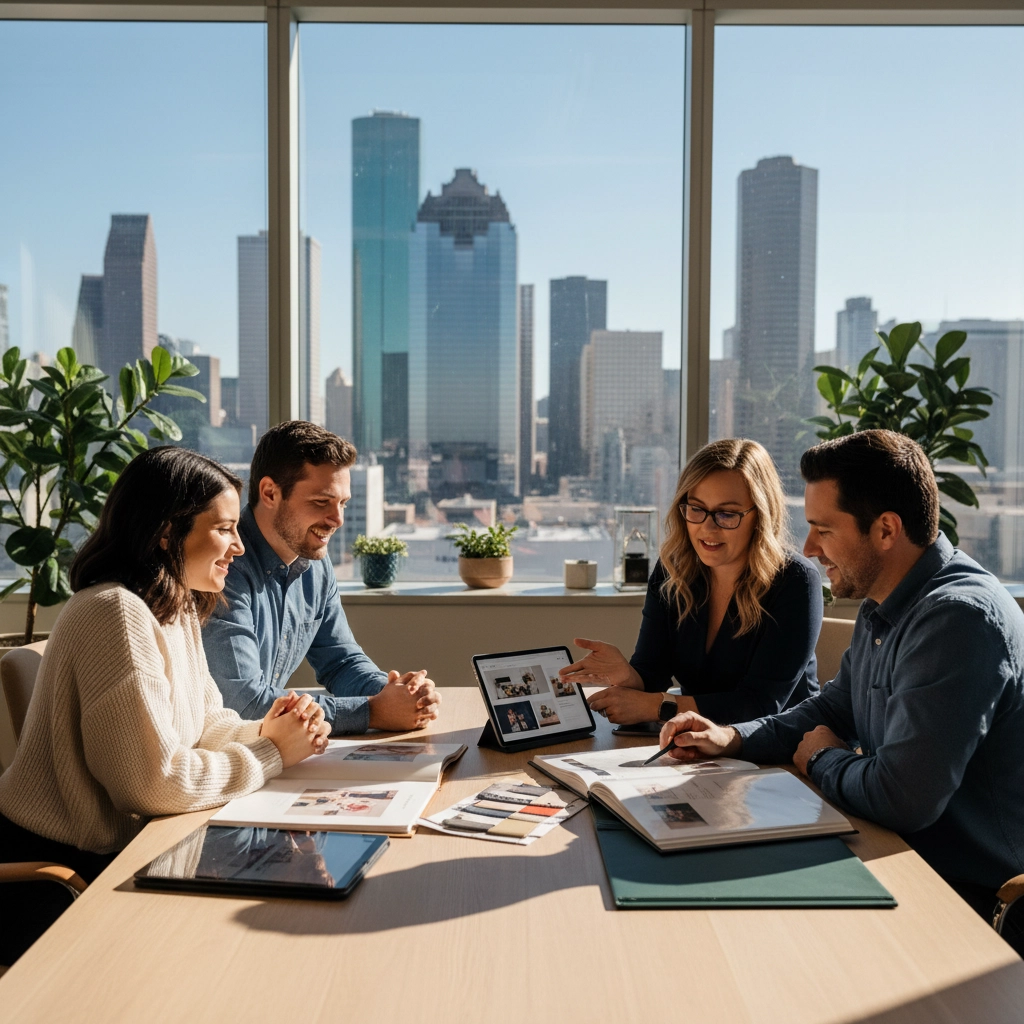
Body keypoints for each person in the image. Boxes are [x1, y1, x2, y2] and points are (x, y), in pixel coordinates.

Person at [659, 429, 1024, 954]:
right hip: (896, 857)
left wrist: (824, 758)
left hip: (963, 899)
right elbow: (833, 706)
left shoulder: (958, 620)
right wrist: (731, 738)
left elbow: (903, 799)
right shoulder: (887, 605)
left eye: (823, 530)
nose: (807, 549)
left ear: (885, 530)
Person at [0, 447, 329, 964]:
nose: (240, 547)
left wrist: (266, 730)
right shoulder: (115, 613)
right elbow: (151, 783)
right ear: (167, 533)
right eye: (224, 529)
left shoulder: (172, 605)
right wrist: (270, 753)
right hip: (54, 876)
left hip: (121, 852)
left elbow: (205, 723)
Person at [560, 438, 822, 727]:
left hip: (786, 751)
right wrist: (627, 676)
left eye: (726, 514)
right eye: (696, 509)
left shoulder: (796, 581)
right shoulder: (674, 569)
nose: (707, 528)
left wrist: (659, 706)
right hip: (701, 747)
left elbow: (759, 704)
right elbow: (652, 672)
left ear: (760, 516)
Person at [202, 421, 440, 735]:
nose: (338, 519)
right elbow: (243, 704)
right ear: (270, 493)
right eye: (321, 502)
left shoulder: (314, 561)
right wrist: (372, 711)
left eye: (342, 503)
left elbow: (340, 662)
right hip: (217, 753)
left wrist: (395, 694)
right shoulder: (222, 567)